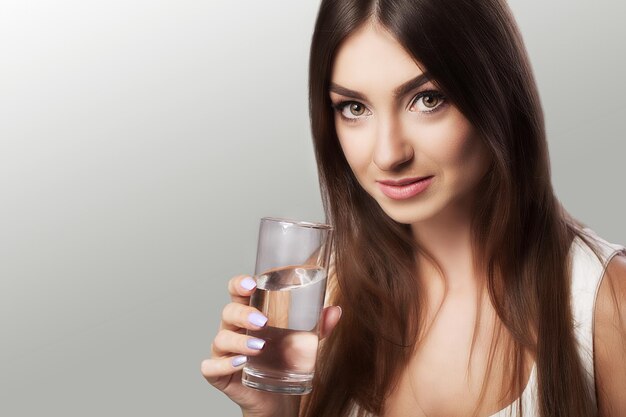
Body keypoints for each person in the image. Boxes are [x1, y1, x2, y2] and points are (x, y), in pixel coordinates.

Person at [201, 0, 626, 416]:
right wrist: (273, 412)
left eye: (427, 99)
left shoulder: (606, 305)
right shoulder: (324, 296)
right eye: (354, 108)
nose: (388, 154)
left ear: (496, 93)